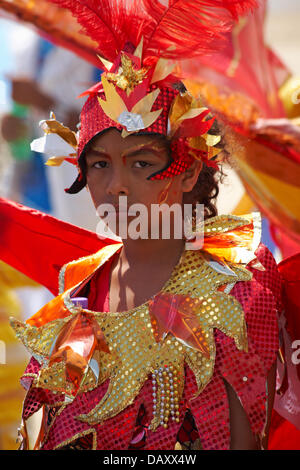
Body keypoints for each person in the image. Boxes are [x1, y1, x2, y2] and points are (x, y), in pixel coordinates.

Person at [0, 0, 291, 450]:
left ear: (190, 171)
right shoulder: (80, 290)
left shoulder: (237, 282)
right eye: (99, 164)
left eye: (141, 163)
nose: (117, 187)